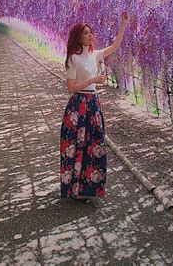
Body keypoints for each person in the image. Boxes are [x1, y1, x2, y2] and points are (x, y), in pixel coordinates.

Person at [60, 12, 129, 203]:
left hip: (93, 104)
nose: (90, 36)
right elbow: (71, 87)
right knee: (77, 145)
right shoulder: (74, 58)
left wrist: (123, 24)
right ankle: (76, 189)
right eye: (86, 33)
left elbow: (115, 46)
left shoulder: (95, 54)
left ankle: (90, 189)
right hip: (78, 105)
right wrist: (93, 80)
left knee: (95, 145)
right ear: (78, 37)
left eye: (91, 32)